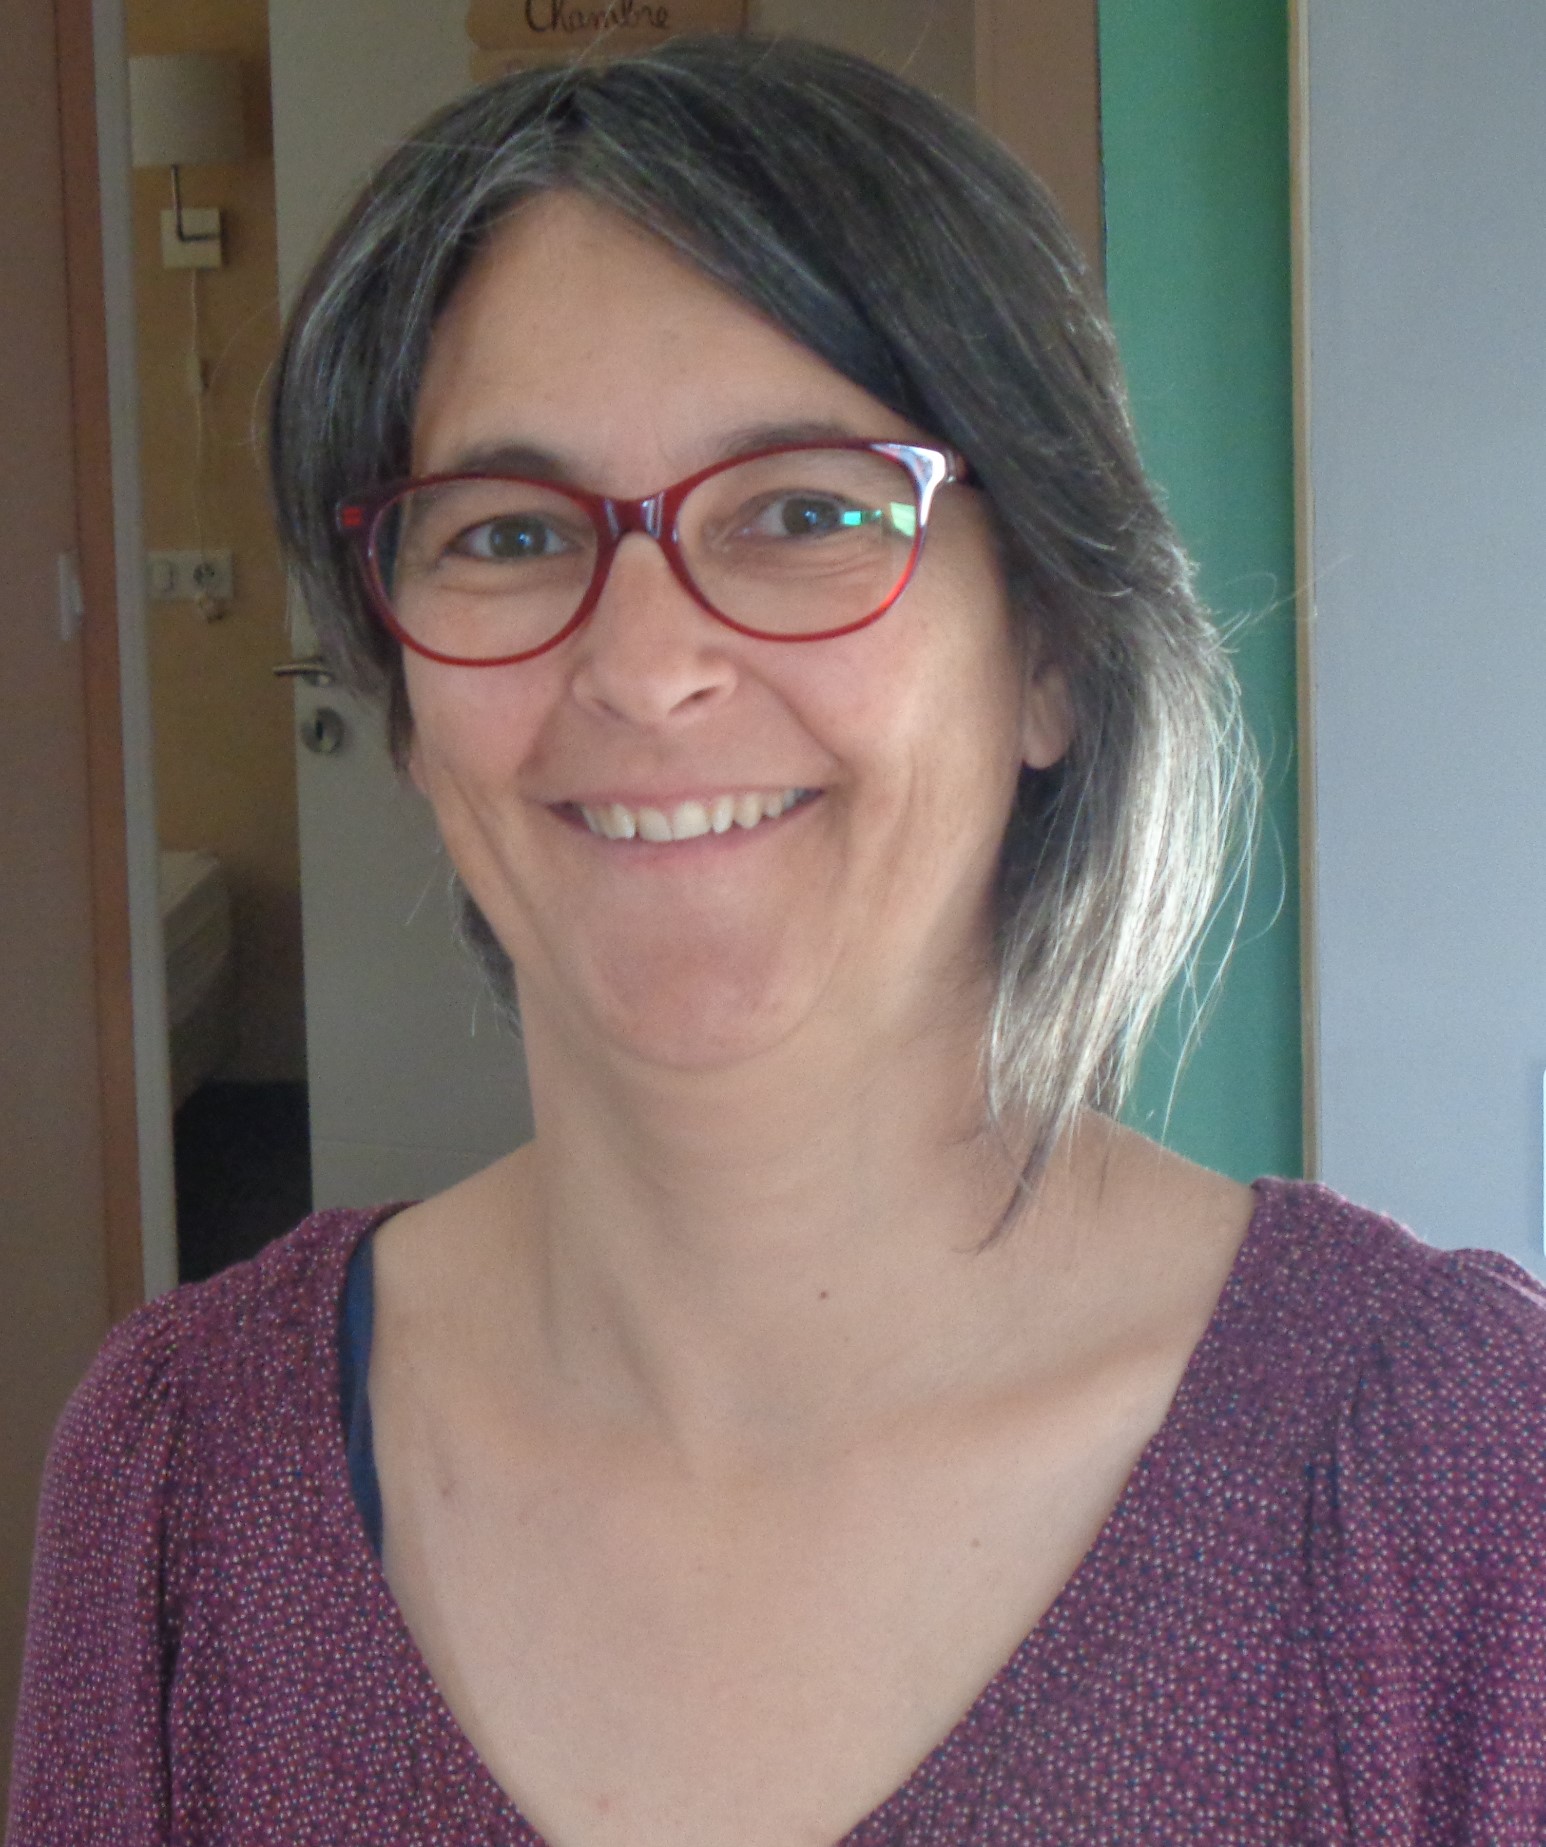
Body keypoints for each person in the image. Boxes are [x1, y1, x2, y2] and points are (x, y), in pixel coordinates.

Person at [9, 34, 1546, 1847]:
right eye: (505, 534)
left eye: (806, 512)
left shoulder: (1453, 1484)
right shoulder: (179, 1471)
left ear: (1050, 648)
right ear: (407, 702)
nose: (645, 668)